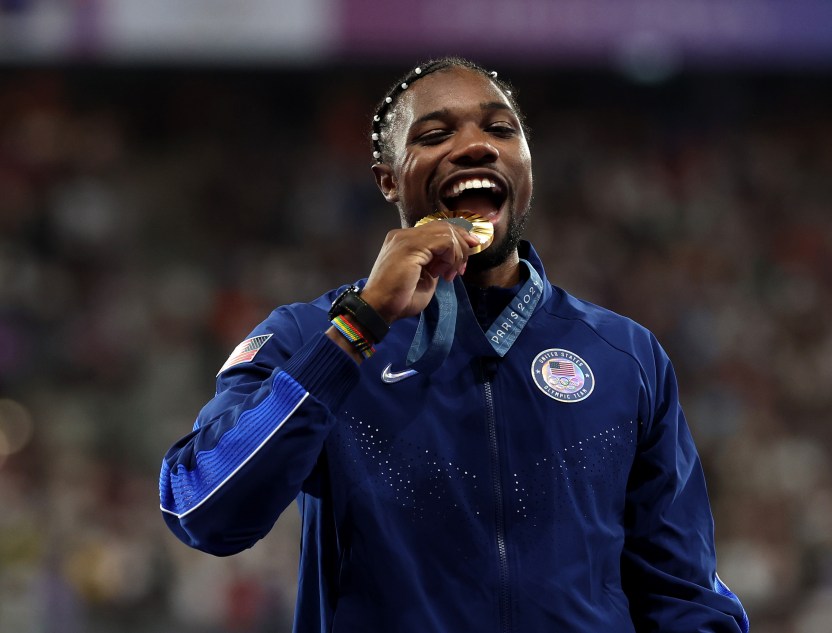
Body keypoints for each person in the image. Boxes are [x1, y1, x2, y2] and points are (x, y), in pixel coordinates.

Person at [159, 56, 750, 633]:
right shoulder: (308, 337)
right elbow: (202, 509)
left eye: (501, 129)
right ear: (388, 178)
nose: (476, 146)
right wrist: (356, 330)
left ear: (526, 165)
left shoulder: (625, 355)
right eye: (436, 133)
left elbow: (684, 595)